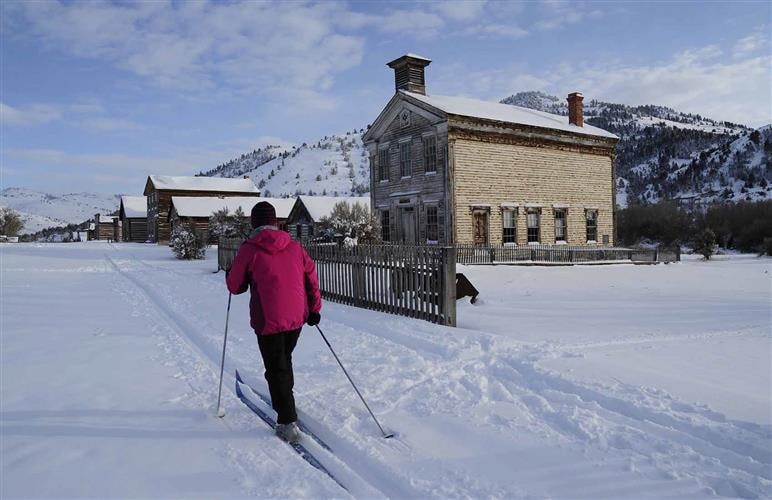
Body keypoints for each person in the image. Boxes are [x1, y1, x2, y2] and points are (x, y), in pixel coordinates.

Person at [226, 201, 321, 444]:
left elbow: (235, 286)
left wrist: (232, 273)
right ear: (277, 222)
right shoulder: (294, 247)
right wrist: (314, 309)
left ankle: (287, 421)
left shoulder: (250, 249)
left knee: (276, 367)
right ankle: (286, 400)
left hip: (268, 319)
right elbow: (310, 275)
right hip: (296, 317)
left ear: (254, 223)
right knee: (283, 359)